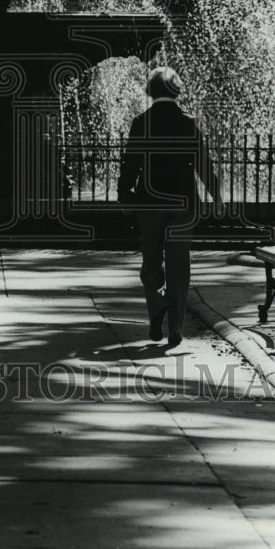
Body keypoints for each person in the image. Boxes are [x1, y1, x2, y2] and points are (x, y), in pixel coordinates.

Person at [117, 67, 222, 348]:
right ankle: (175, 326)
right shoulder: (188, 122)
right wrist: (217, 195)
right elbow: (202, 162)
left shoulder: (141, 122)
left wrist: (123, 194)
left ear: (150, 91)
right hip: (183, 204)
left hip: (150, 204)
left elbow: (131, 163)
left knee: (151, 259)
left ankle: (156, 308)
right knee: (179, 263)